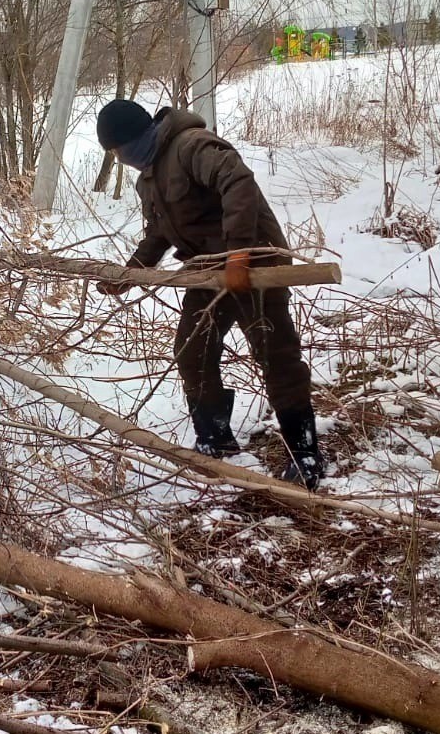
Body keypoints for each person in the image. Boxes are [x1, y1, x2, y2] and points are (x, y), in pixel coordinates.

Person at [93, 98, 324, 487]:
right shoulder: (148, 179)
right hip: (206, 271)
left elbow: (237, 181)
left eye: (118, 150)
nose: (120, 159)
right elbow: (159, 233)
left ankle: (306, 454)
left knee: (275, 353)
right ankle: (215, 440)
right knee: (192, 350)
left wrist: (239, 254)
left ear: (132, 138)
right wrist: (131, 272)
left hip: (256, 262)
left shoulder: (192, 145)